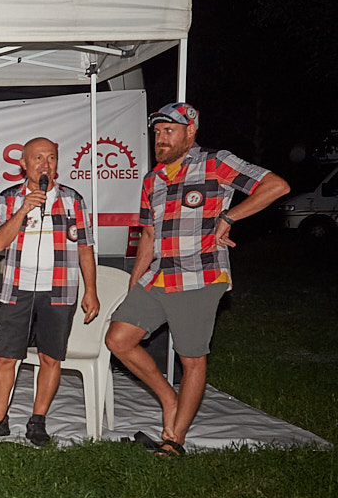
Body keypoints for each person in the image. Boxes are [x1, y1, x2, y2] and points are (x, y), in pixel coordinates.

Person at [105, 102, 289, 456]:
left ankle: (175, 439)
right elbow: (148, 235)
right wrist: (134, 285)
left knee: (191, 359)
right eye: (157, 132)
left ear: (190, 132)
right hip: (158, 275)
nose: (161, 138)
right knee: (119, 339)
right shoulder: (153, 179)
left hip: (199, 275)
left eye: (169, 131)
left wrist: (230, 217)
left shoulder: (215, 162)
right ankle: (169, 399)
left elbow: (276, 186)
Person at [0, 137, 99, 446]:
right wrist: (24, 208)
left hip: (59, 289)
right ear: (23, 164)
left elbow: (85, 248)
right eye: (38, 158)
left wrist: (91, 290)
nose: (45, 164)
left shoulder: (72, 199)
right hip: (17, 289)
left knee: (51, 358)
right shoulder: (9, 198)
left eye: (51, 158)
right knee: (5, 357)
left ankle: (38, 421)